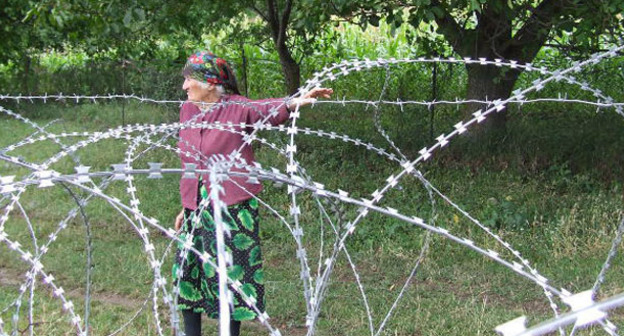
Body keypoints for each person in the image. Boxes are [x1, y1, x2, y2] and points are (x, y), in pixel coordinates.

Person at [172, 50, 332, 336]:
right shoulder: (187, 110)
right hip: (195, 205)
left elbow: (266, 110)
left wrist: (296, 100)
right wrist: (186, 206)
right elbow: (189, 163)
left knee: (230, 279)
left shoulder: (237, 108)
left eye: (190, 80)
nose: (184, 86)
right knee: (189, 273)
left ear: (210, 84)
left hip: (232, 207)